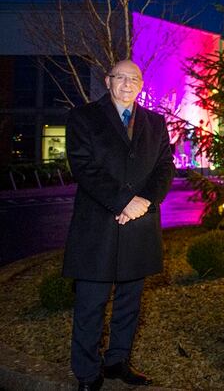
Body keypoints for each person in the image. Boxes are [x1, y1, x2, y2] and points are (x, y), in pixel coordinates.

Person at [63, 60, 175, 390]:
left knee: (129, 303)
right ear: (108, 80)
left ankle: (117, 362)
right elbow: (83, 167)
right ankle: (87, 372)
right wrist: (123, 201)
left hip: (139, 226)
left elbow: (165, 168)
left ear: (141, 84)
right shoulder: (83, 117)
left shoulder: (155, 122)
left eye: (134, 78)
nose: (128, 84)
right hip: (97, 226)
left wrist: (145, 202)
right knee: (91, 304)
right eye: (121, 77)